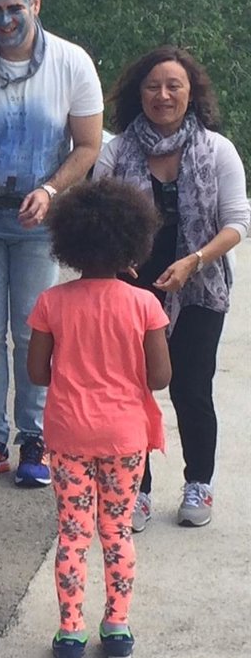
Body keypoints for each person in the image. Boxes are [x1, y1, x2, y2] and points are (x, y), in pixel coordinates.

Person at [0, 0, 104, 486]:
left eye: (16, 8)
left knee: (35, 330)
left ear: (36, 4)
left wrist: (51, 189)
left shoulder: (72, 62)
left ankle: (35, 436)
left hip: (42, 218)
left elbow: (88, 145)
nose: (5, 19)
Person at [95, 45, 250, 529]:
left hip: (199, 289)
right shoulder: (116, 150)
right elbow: (93, 212)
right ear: (137, 93)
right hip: (130, 291)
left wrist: (195, 261)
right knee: (131, 392)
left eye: (173, 86)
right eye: (152, 86)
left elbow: (238, 223)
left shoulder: (217, 149)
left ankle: (198, 483)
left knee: (191, 389)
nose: (162, 95)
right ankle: (135, 490)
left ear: (191, 93)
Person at [27, 179, 171, 658]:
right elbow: (160, 376)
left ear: (69, 242)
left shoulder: (53, 302)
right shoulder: (145, 304)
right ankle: (118, 629)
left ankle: (70, 633)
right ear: (133, 243)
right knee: (117, 530)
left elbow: (35, 372)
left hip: (68, 432)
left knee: (73, 532)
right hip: (125, 435)